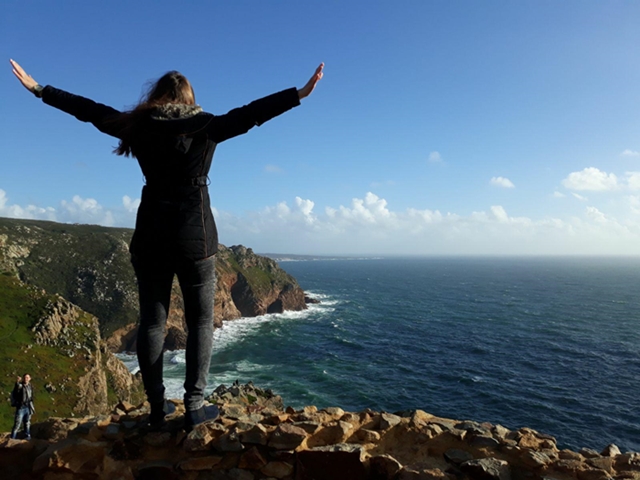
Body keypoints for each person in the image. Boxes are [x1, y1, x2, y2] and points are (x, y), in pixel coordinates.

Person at [10, 59, 323, 429]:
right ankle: (194, 405)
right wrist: (298, 94)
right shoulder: (207, 126)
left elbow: (90, 111)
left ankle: (157, 409)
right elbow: (251, 114)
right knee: (202, 322)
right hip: (197, 238)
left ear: (156, 96)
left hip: (151, 236)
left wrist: (41, 90)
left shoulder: (139, 127)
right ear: (190, 98)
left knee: (153, 324)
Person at [11, 374, 35, 440]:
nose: (26, 379)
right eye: (25, 377)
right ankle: (12, 438)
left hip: (28, 406)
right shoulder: (21, 386)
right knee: (17, 424)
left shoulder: (30, 386)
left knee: (27, 422)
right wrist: (17, 382)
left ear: (30, 378)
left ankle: (27, 436)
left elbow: (31, 396)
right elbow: (17, 389)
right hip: (21, 407)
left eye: (27, 377)